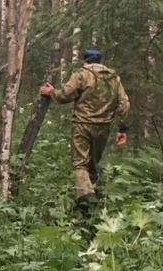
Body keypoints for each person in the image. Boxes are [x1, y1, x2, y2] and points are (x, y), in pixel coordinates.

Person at [40, 48, 130, 212]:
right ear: (100, 62)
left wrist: (50, 91)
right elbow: (124, 104)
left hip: (82, 124)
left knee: (80, 164)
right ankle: (92, 199)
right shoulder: (114, 78)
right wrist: (122, 128)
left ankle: (86, 200)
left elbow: (64, 95)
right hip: (103, 127)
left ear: (85, 61)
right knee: (93, 163)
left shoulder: (81, 74)